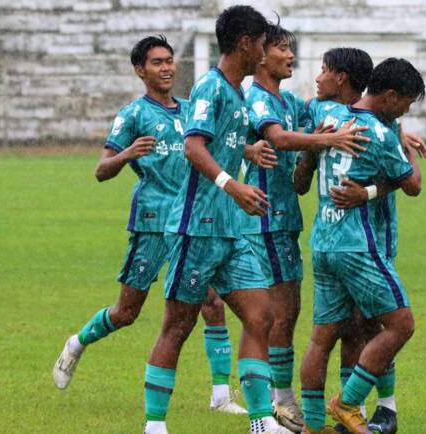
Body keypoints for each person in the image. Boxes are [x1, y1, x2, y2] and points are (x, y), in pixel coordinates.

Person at [51, 35, 267, 414]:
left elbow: (209, 146)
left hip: (196, 222)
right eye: (156, 62)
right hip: (153, 222)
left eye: (169, 61)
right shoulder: (134, 115)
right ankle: (78, 342)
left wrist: (247, 150)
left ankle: (220, 396)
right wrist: (128, 154)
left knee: (212, 304)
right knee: (127, 312)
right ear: (140, 70)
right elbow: (101, 170)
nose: (167, 68)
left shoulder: (190, 108)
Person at [142, 6, 291, 434]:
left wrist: (248, 152)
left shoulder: (239, 92)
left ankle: (261, 421)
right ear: (246, 43)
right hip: (196, 227)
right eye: (263, 42)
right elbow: (193, 146)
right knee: (178, 324)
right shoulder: (210, 86)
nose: (265, 50)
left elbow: (221, 141)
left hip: (231, 230)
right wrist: (234, 185)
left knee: (261, 315)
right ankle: (155, 425)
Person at [243, 26, 369, 433]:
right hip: (262, 217)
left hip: (285, 218)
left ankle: (279, 401)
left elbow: (328, 121)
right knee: (274, 313)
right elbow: (278, 139)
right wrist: (317, 141)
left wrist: (397, 130)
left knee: (287, 311)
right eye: (281, 47)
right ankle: (279, 403)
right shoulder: (258, 98)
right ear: (261, 55)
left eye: (290, 48)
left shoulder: (292, 101)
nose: (290, 55)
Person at [297, 58, 425, 434]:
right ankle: (349, 403)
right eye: (405, 103)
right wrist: (409, 151)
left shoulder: (333, 120)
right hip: (357, 245)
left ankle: (312, 425)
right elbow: (412, 185)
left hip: (323, 241)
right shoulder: (380, 133)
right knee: (400, 325)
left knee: (321, 338)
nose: (405, 110)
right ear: (387, 96)